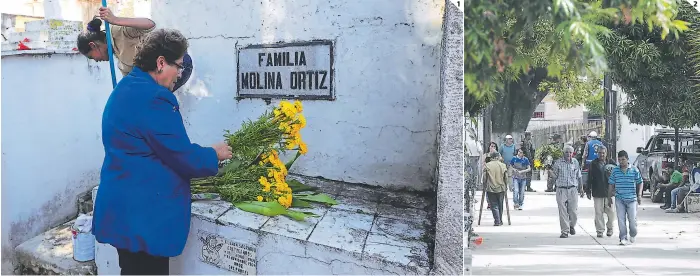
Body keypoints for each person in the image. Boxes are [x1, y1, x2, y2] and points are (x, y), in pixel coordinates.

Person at [92, 29, 233, 275]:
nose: (179, 74)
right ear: (160, 63)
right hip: (141, 216)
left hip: (123, 210)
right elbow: (181, 156)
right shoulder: (155, 97)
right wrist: (214, 154)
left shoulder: (128, 86)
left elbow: (154, 147)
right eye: (178, 66)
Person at [77, 7, 193, 91]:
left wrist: (115, 19)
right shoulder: (119, 59)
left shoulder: (117, 32)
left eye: (92, 57)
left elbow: (149, 25)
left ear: (93, 45)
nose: (96, 60)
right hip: (160, 74)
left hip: (178, 63)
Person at [608, 150, 643, 246]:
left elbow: (640, 182)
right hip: (620, 199)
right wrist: (609, 197)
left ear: (627, 159)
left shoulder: (634, 170)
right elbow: (611, 184)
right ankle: (623, 237)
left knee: (632, 219)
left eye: (623, 159)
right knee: (621, 219)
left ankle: (633, 233)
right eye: (619, 160)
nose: (621, 162)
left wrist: (639, 195)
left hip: (632, 199)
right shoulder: (615, 170)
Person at [552, 145, 584, 238]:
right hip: (561, 189)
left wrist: (581, 188)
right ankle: (564, 231)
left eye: (570, 152)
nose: (568, 154)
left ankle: (571, 225)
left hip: (573, 189)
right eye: (566, 152)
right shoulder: (558, 163)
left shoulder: (575, 162)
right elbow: (555, 176)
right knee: (562, 211)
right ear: (563, 153)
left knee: (573, 211)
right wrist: (550, 172)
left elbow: (579, 175)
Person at [585, 146, 617, 238]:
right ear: (597, 153)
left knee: (611, 212)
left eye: (603, 153)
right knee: (598, 212)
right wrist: (588, 190)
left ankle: (610, 228)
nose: (601, 155)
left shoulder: (611, 163)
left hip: (610, 192)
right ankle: (600, 230)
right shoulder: (593, 164)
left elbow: (617, 175)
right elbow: (589, 177)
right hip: (597, 191)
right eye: (600, 153)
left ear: (606, 153)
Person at [483, 152, 509, 226]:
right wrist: (506, 185)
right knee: (500, 204)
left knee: (494, 205)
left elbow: (485, 177)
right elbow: (506, 177)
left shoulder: (487, 165)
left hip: (490, 187)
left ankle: (497, 221)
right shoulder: (503, 165)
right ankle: (499, 219)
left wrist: (484, 185)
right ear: (497, 157)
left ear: (491, 157)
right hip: (501, 187)